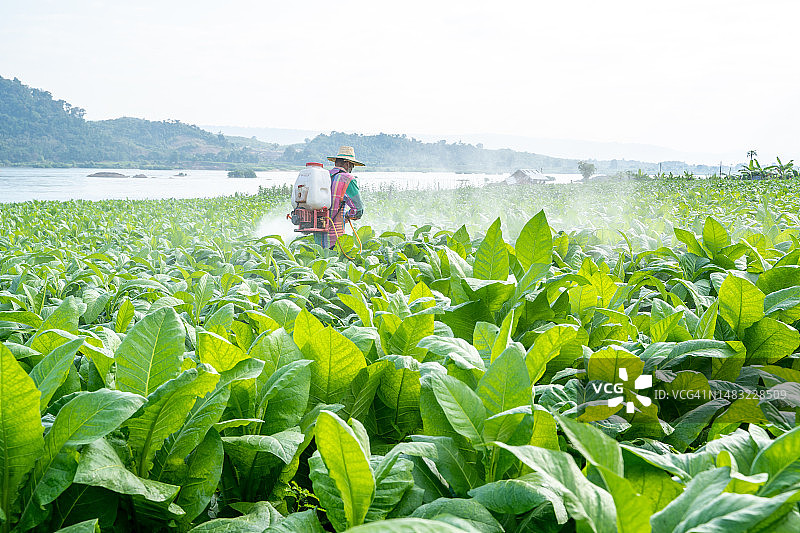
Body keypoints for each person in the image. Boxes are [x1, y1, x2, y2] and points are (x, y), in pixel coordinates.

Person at [315, 146, 364, 249]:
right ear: (347, 163)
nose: (351, 169)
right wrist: (347, 215)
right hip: (334, 239)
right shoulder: (347, 179)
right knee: (334, 262)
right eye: (352, 165)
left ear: (336, 162)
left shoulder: (324, 176)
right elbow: (358, 210)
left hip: (317, 239)